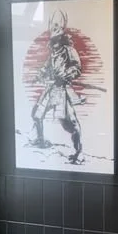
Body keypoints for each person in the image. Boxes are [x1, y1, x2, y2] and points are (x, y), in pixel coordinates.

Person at [30, 9, 84, 164]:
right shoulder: (52, 53)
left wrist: (66, 75)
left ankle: (78, 152)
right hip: (51, 89)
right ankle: (40, 140)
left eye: (57, 38)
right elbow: (46, 68)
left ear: (62, 37)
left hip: (62, 91)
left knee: (69, 124)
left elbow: (76, 68)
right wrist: (38, 76)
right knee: (36, 114)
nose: (54, 41)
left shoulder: (69, 50)